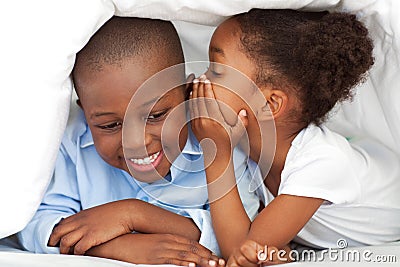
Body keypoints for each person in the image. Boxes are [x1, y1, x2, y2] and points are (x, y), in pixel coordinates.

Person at [18, 16, 259, 266]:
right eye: (109, 125)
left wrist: (134, 214)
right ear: (85, 112)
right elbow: (35, 224)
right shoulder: (70, 142)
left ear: (188, 95)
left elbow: (242, 236)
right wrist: (116, 247)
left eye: (156, 116)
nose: (136, 142)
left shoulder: (220, 140)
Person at [189, 9, 400, 266]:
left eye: (217, 72)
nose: (201, 81)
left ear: (270, 103)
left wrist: (217, 153)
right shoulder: (245, 147)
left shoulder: (321, 163)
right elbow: (252, 244)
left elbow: (240, 251)